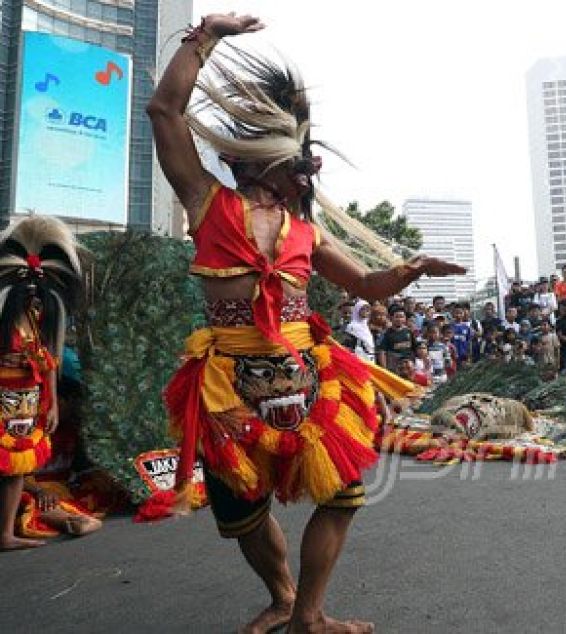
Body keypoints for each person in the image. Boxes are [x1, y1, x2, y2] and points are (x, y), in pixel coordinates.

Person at [146, 13, 465, 632]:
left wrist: (413, 268)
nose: (306, 171)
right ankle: (284, 594)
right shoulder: (205, 202)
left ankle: (309, 615)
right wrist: (206, 35)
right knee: (244, 514)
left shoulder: (306, 233)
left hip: (306, 380)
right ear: (261, 160)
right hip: (229, 388)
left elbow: (368, 285)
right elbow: (165, 112)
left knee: (344, 498)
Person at [0, 217, 83, 551]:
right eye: (28, 295)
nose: (33, 301)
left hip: (25, 406)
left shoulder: (39, 325)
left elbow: (49, 363)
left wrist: (50, 408)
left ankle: (4, 533)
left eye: (38, 296)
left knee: (15, 470)